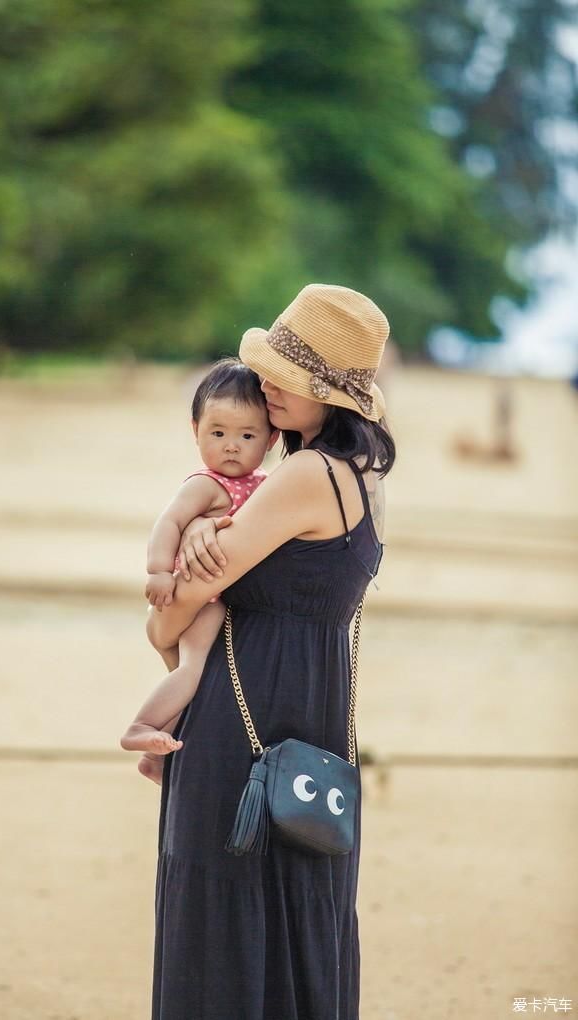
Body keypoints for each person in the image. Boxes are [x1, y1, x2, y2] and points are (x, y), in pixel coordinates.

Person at [144, 283, 395, 1020]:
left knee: (221, 921)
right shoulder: (366, 482)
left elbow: (172, 617)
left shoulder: (303, 476)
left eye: (289, 378)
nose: (267, 389)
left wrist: (170, 612)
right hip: (313, 718)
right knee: (302, 914)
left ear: (331, 393)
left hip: (241, 717)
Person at [120, 358, 279, 779]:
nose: (231, 445)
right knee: (192, 670)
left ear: (272, 438)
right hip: (200, 598)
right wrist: (158, 571)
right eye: (218, 433)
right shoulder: (206, 484)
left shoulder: (267, 485)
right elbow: (168, 522)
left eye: (247, 435)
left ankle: (157, 755)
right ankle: (142, 726)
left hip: (219, 599)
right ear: (196, 431)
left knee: (200, 685)